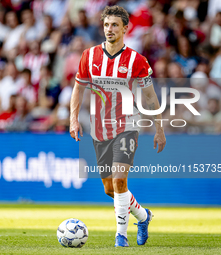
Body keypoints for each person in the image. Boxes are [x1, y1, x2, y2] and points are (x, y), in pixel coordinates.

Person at [69, 5, 166, 247]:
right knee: (110, 189)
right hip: (99, 129)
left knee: (120, 181)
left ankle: (120, 236)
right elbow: (77, 89)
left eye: (114, 25)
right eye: (106, 25)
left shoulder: (136, 60)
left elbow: (150, 97)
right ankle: (143, 217)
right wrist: (73, 118)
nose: (109, 29)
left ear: (125, 28)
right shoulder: (89, 56)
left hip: (127, 125)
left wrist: (159, 128)